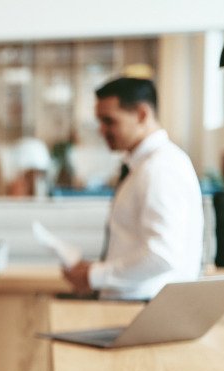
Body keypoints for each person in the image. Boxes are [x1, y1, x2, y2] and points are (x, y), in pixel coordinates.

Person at [62, 77, 204, 300]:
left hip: (144, 310)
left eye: (109, 121)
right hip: (137, 307)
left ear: (141, 114)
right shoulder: (145, 166)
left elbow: (162, 255)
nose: (101, 130)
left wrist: (95, 276)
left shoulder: (160, 168)